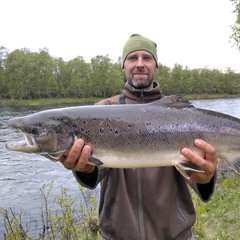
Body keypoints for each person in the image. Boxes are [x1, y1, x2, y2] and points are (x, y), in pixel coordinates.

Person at [60, 34, 218, 240]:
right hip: (117, 235)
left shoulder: (178, 112)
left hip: (175, 235)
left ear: (156, 65)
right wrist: (85, 169)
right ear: (123, 65)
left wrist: (206, 178)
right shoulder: (100, 112)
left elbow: (201, 183)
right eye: (133, 58)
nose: (140, 64)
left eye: (147, 58)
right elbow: (93, 177)